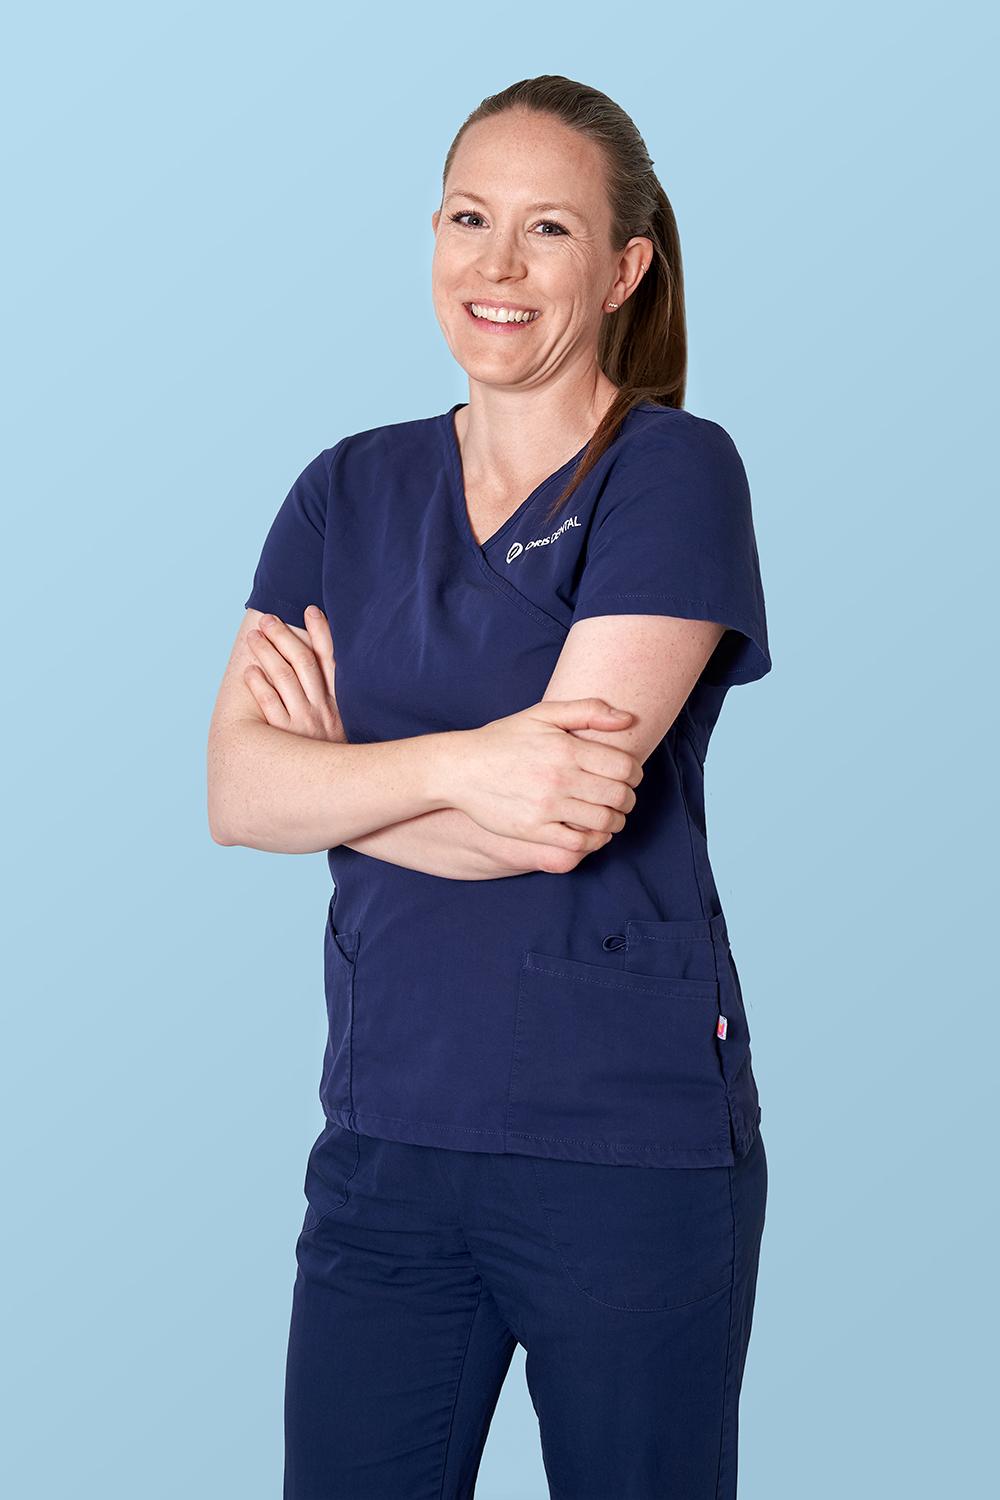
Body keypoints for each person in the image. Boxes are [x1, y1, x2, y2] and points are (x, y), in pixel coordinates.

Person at [208, 73, 773, 1500]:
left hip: (625, 1148)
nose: (497, 266)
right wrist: (472, 763)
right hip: (386, 1139)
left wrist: (340, 779)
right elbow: (238, 794)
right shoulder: (345, 490)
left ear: (624, 270)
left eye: (548, 230)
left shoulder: (672, 473)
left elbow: (564, 814)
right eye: (469, 219)